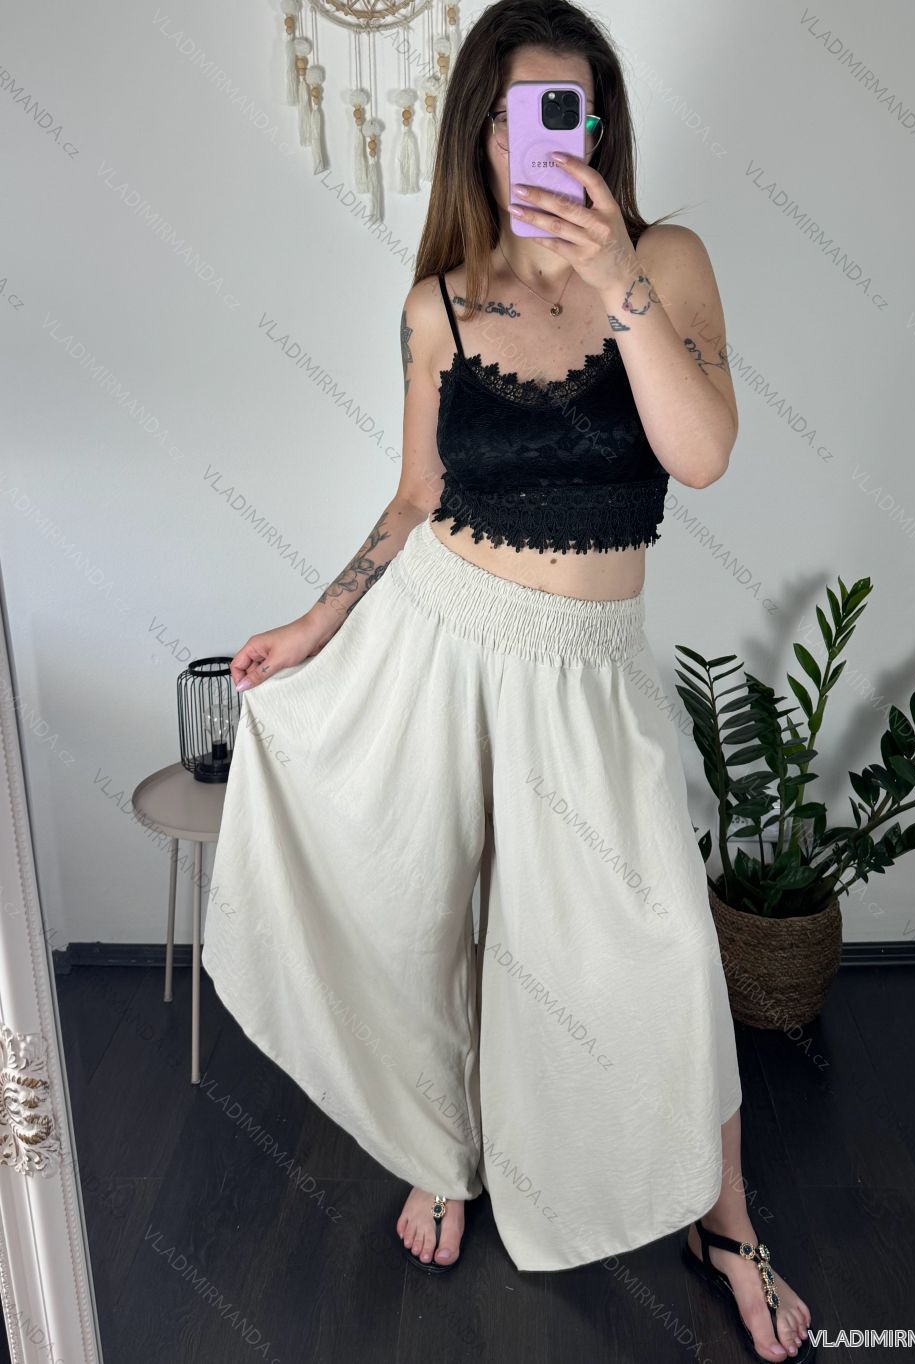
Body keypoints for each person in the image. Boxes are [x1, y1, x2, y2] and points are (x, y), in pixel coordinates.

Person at [201, 2, 814, 1360]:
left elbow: (703, 453)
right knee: (431, 916)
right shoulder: (435, 306)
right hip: (439, 641)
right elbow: (417, 493)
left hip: (589, 677)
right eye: (519, 111)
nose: (545, 136)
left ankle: (723, 1225)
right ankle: (441, 1149)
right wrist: (316, 622)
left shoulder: (667, 260)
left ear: (598, 125)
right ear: (478, 129)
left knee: (665, 953)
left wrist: (619, 281)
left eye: (570, 109)